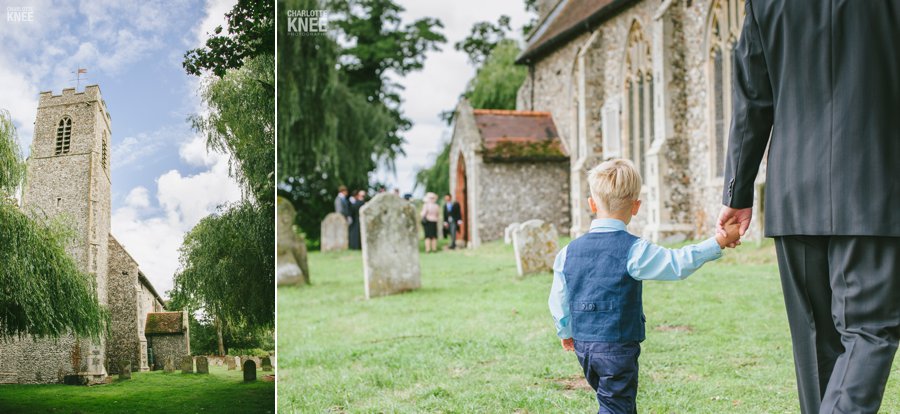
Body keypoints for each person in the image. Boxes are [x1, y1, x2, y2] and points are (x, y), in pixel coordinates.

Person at [717, 2, 900, 412]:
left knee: (816, 341)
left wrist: (738, 192)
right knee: (869, 331)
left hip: (795, 190)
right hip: (875, 183)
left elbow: (752, 99)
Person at [549, 159, 740, 413]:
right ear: (636, 207)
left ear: (592, 204)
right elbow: (676, 263)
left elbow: (558, 299)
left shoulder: (567, 252)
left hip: (584, 346)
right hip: (617, 347)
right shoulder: (634, 250)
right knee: (616, 406)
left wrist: (565, 332)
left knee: (612, 402)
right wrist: (717, 242)